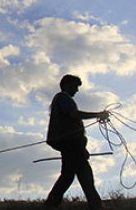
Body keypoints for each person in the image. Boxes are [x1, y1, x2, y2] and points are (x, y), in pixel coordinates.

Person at [45, 74, 109, 210]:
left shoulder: (61, 99)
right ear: (67, 85)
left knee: (70, 176)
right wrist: (98, 114)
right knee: (83, 175)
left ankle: (50, 205)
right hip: (70, 144)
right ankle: (96, 206)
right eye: (75, 86)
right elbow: (74, 115)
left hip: (71, 144)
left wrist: (82, 148)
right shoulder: (63, 97)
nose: (77, 90)